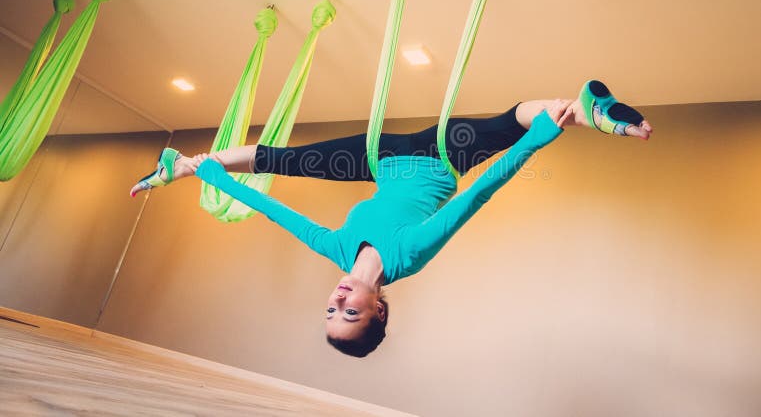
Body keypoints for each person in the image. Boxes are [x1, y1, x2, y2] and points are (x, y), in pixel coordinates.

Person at [130, 80, 653, 357]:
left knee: (281, 161)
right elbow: (478, 196)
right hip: (440, 155)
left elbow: (272, 208)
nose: (336, 301)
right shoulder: (410, 255)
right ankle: (591, 111)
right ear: (378, 311)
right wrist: (537, 142)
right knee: (511, 122)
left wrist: (210, 177)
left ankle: (179, 167)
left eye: (330, 312)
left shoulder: (336, 251)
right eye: (350, 314)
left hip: (374, 159)